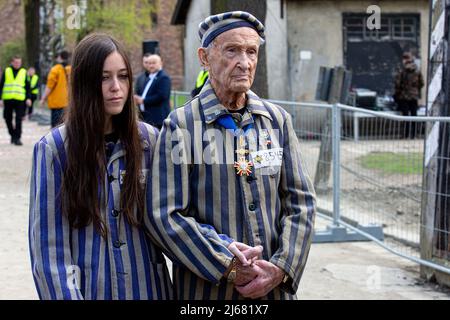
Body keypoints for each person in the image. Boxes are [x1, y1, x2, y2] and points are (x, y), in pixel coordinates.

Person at [147, 11, 316, 300]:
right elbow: (164, 215)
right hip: (208, 294)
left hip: (274, 291)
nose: (245, 62)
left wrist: (279, 268)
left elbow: (301, 203)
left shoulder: (277, 121)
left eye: (252, 51)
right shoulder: (182, 126)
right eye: (232, 50)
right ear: (204, 57)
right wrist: (227, 263)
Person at [29, 33, 172, 300]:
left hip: (148, 288)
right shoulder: (54, 149)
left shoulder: (150, 141)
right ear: (85, 82)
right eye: (104, 77)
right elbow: (49, 250)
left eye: (123, 76)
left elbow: (171, 221)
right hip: (91, 289)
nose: (116, 87)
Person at [0, 55, 32, 145]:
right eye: (16, 62)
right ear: (12, 62)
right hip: (8, 99)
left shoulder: (24, 72)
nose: (18, 64)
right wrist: (0, 99)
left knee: (19, 119)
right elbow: (1, 85)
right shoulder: (7, 71)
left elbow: (28, 87)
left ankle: (17, 138)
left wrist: (28, 98)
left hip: (20, 100)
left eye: (19, 62)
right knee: (7, 118)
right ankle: (12, 134)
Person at [133, 54, 171, 129]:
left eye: (154, 63)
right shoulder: (149, 77)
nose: (151, 65)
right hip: (147, 117)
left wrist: (143, 101)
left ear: (160, 63)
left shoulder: (163, 77)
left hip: (158, 119)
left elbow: (162, 96)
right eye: (149, 63)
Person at [394, 52, 424, 138]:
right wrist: (415, 90)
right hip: (414, 96)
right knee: (414, 115)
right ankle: (414, 134)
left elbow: (397, 84)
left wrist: (397, 93)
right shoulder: (417, 70)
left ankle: (406, 134)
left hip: (404, 96)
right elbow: (422, 83)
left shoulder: (401, 71)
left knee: (405, 116)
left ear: (404, 60)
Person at [39, 50, 71, 128]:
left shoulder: (55, 69)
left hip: (57, 103)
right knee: (66, 127)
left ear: (60, 57)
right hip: (69, 102)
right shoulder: (72, 69)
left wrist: (43, 99)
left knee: (56, 128)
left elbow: (49, 86)